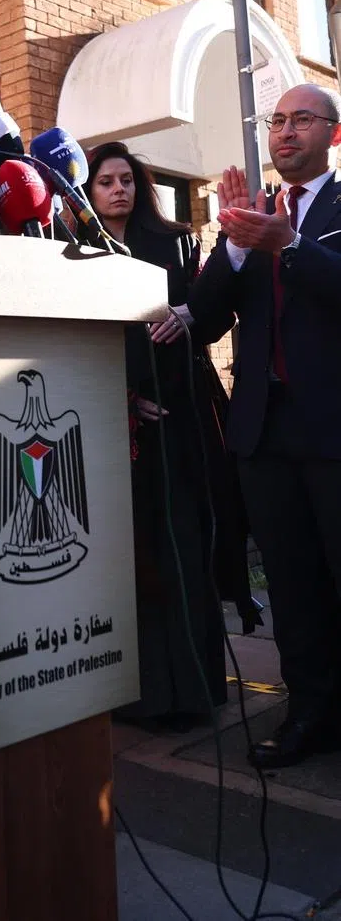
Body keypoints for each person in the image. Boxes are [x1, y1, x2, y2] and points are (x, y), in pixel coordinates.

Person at [189, 83, 341, 767]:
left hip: (334, 430)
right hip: (264, 434)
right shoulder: (254, 218)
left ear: (332, 135)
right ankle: (311, 713)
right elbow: (208, 318)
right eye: (276, 121)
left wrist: (292, 246)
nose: (284, 132)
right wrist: (239, 244)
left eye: (300, 119)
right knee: (291, 585)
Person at [84, 142, 250, 730]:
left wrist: (187, 317)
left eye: (126, 179)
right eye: (105, 181)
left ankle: (194, 690)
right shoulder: (72, 251)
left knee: (183, 548)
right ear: (91, 190)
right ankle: (138, 696)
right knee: (129, 557)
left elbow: (212, 317)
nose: (118, 190)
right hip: (113, 427)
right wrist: (122, 396)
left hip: (179, 420)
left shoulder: (176, 240)